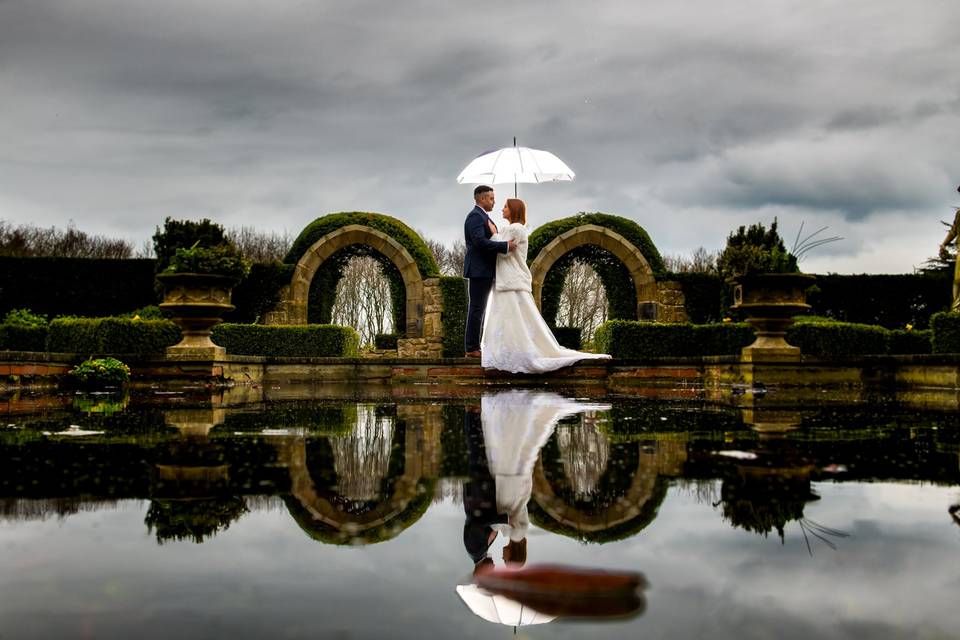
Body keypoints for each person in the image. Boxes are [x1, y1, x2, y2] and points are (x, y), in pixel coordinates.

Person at [480, 198, 612, 373]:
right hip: (506, 280)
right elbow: (503, 246)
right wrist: (498, 235)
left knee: (514, 318)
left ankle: (515, 353)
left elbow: (503, 253)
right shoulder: (511, 229)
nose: (502, 209)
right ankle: (508, 351)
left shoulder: (516, 229)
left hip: (511, 280)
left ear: (513, 210)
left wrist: (494, 234)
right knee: (508, 319)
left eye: (505, 206)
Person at [463, 185, 516, 358]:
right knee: (477, 308)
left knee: (480, 308)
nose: (494, 202)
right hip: (479, 270)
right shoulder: (475, 217)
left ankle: (475, 346)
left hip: (486, 270)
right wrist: (505, 246)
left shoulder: (484, 217)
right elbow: (479, 242)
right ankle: (471, 348)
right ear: (482, 198)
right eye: (492, 198)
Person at [938, 185, 960, 311]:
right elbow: (953, 231)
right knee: (957, 280)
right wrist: (944, 244)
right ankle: (957, 309)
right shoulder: (959, 214)